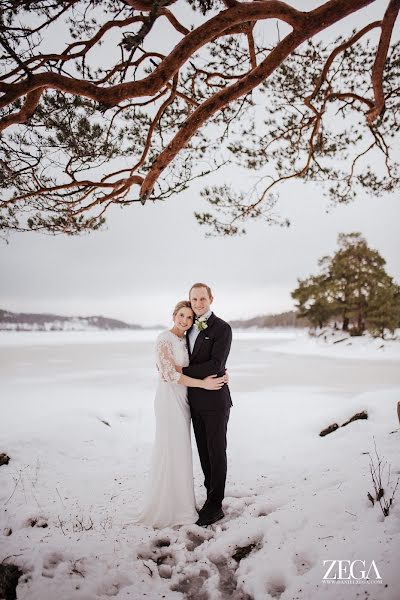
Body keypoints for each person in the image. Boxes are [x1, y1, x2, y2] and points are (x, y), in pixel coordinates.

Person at [135, 300, 227, 529]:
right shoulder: (164, 339)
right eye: (182, 315)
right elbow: (168, 374)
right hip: (169, 399)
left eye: (189, 317)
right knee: (170, 447)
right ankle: (168, 506)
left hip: (185, 400)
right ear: (173, 315)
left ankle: (182, 503)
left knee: (181, 450)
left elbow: (202, 362)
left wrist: (222, 371)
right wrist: (203, 384)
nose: (185, 320)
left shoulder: (184, 339)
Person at [175, 283, 232, 527]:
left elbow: (216, 364)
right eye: (194, 299)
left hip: (216, 400)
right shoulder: (187, 328)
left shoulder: (222, 328)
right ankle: (210, 497)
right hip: (195, 401)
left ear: (211, 299)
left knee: (216, 453)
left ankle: (215, 505)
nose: (198, 303)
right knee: (204, 453)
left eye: (202, 299)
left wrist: (180, 371)